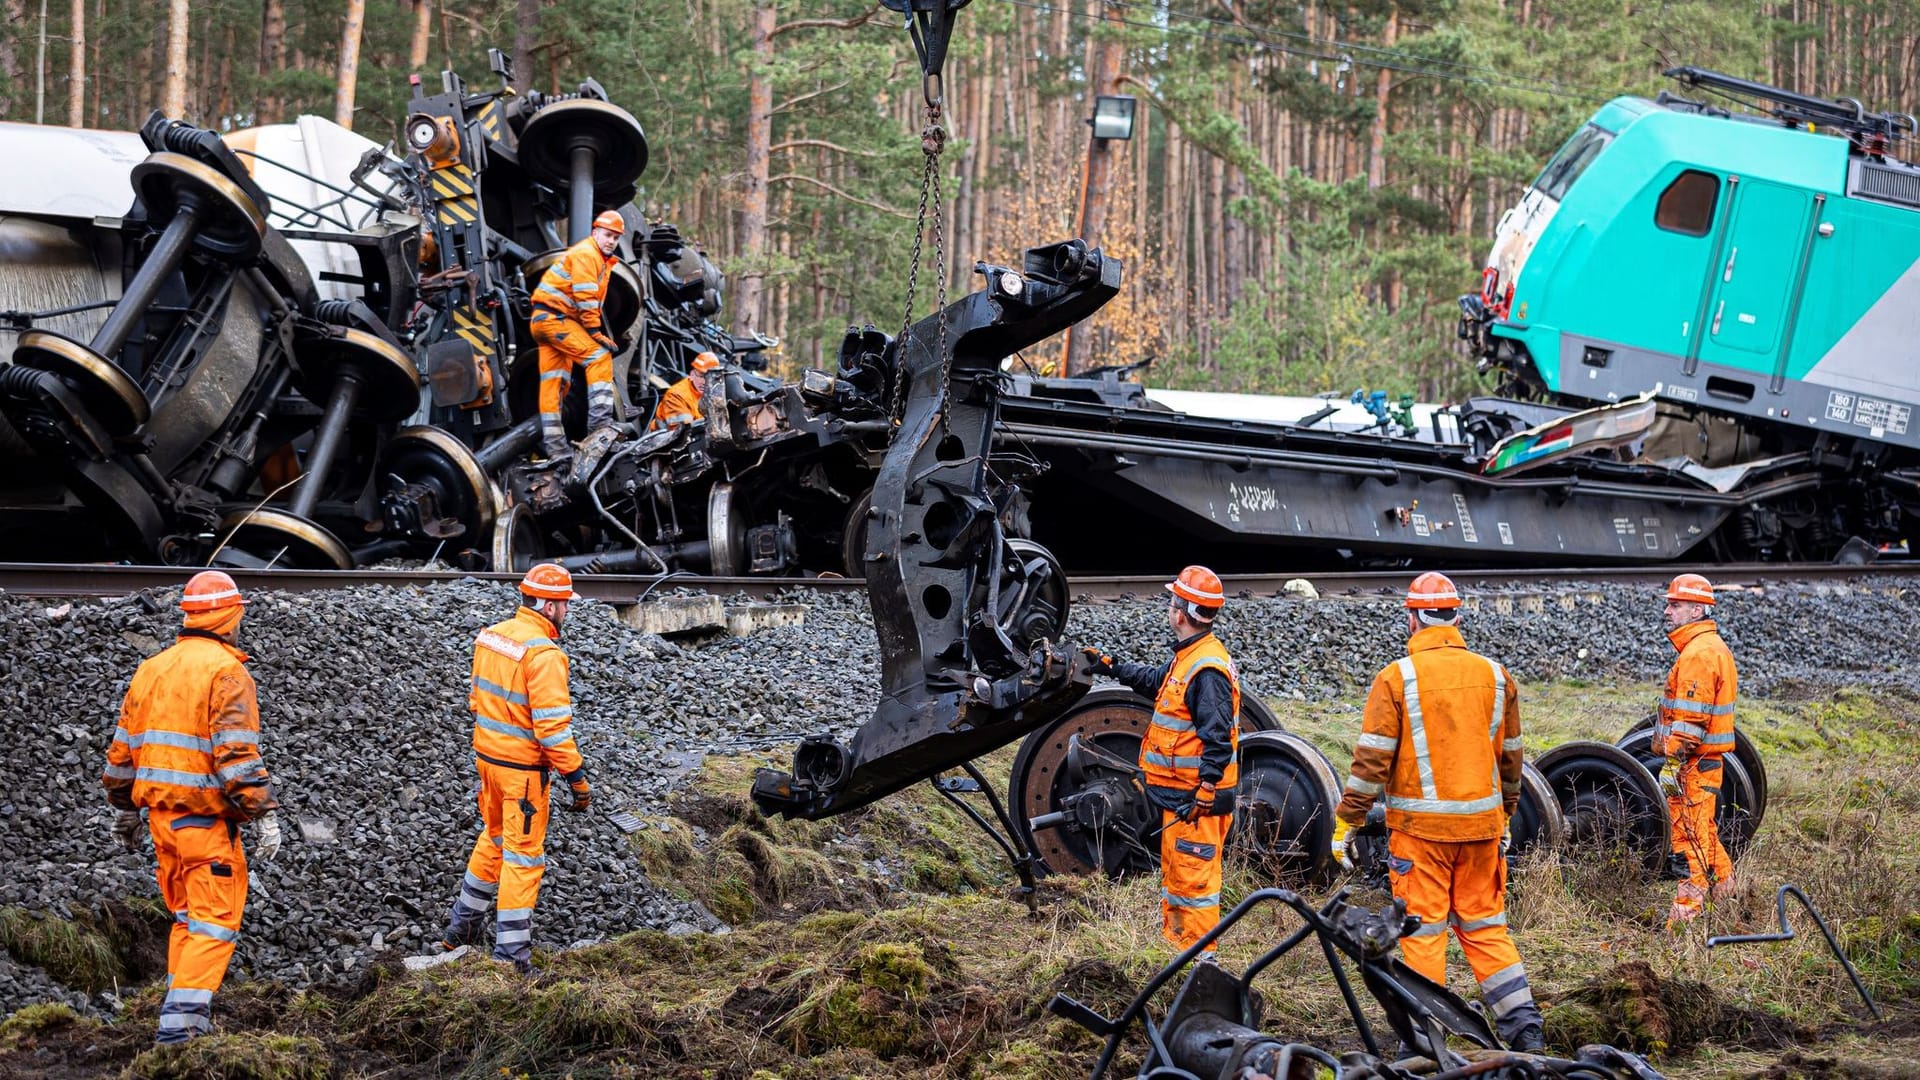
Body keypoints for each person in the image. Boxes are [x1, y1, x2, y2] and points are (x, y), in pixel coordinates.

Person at [1330, 571, 1544, 1053]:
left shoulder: (1396, 678)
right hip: (1483, 833)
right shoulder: (1495, 675)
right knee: (1487, 927)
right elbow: (1512, 759)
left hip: (1422, 836)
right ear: (1456, 617)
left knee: (1423, 933)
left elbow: (1371, 762)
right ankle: (1523, 1028)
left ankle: (1422, 1041)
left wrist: (1349, 820)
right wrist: (1506, 814)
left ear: (1412, 619)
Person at [102, 570, 283, 1043]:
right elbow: (236, 755)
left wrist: (124, 807)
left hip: (161, 824)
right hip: (203, 824)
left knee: (186, 919)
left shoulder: (153, 668)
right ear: (230, 616)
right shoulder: (227, 672)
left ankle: (180, 1016)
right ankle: (179, 1034)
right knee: (214, 924)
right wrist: (263, 812)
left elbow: (123, 750)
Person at [437, 563, 592, 973]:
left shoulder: (492, 637)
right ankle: (511, 959)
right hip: (522, 774)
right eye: (563, 605)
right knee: (523, 859)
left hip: (487, 761)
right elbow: (553, 731)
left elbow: (476, 701)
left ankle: (460, 931)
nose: (566, 612)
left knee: (494, 838)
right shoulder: (545, 654)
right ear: (547, 605)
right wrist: (577, 779)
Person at [1082, 565, 1240, 954]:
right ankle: (1176, 953)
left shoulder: (1207, 670)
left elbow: (1218, 738)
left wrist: (1206, 789)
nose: (1169, 609)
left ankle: (1201, 964)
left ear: (1181, 612)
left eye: (1172, 602)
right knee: (1177, 880)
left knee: (1195, 887)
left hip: (1196, 803)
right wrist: (1111, 666)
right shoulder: (1191, 657)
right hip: (1182, 801)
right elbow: (1155, 681)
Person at [1653, 573, 1737, 930]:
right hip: (1702, 763)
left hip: (1691, 763)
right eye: (1670, 603)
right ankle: (1730, 898)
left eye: (1676, 604)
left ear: (1698, 610)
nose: (1668, 610)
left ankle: (1685, 918)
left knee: (1688, 838)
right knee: (1704, 832)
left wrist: (1672, 762)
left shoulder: (1699, 654)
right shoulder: (1705, 647)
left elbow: (1689, 722)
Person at [530, 210, 625, 460]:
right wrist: (594, 331)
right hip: (555, 320)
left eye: (616, 237)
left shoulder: (596, 258)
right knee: (599, 358)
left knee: (555, 384)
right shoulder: (587, 254)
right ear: (595, 233)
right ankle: (599, 434)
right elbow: (585, 295)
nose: (611, 241)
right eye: (607, 235)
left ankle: (556, 451)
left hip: (543, 321)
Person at [650, 351, 720, 432]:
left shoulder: (714, 391)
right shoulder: (676, 395)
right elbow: (684, 431)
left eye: (710, 377)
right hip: (666, 440)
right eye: (701, 376)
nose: (705, 382)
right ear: (692, 375)